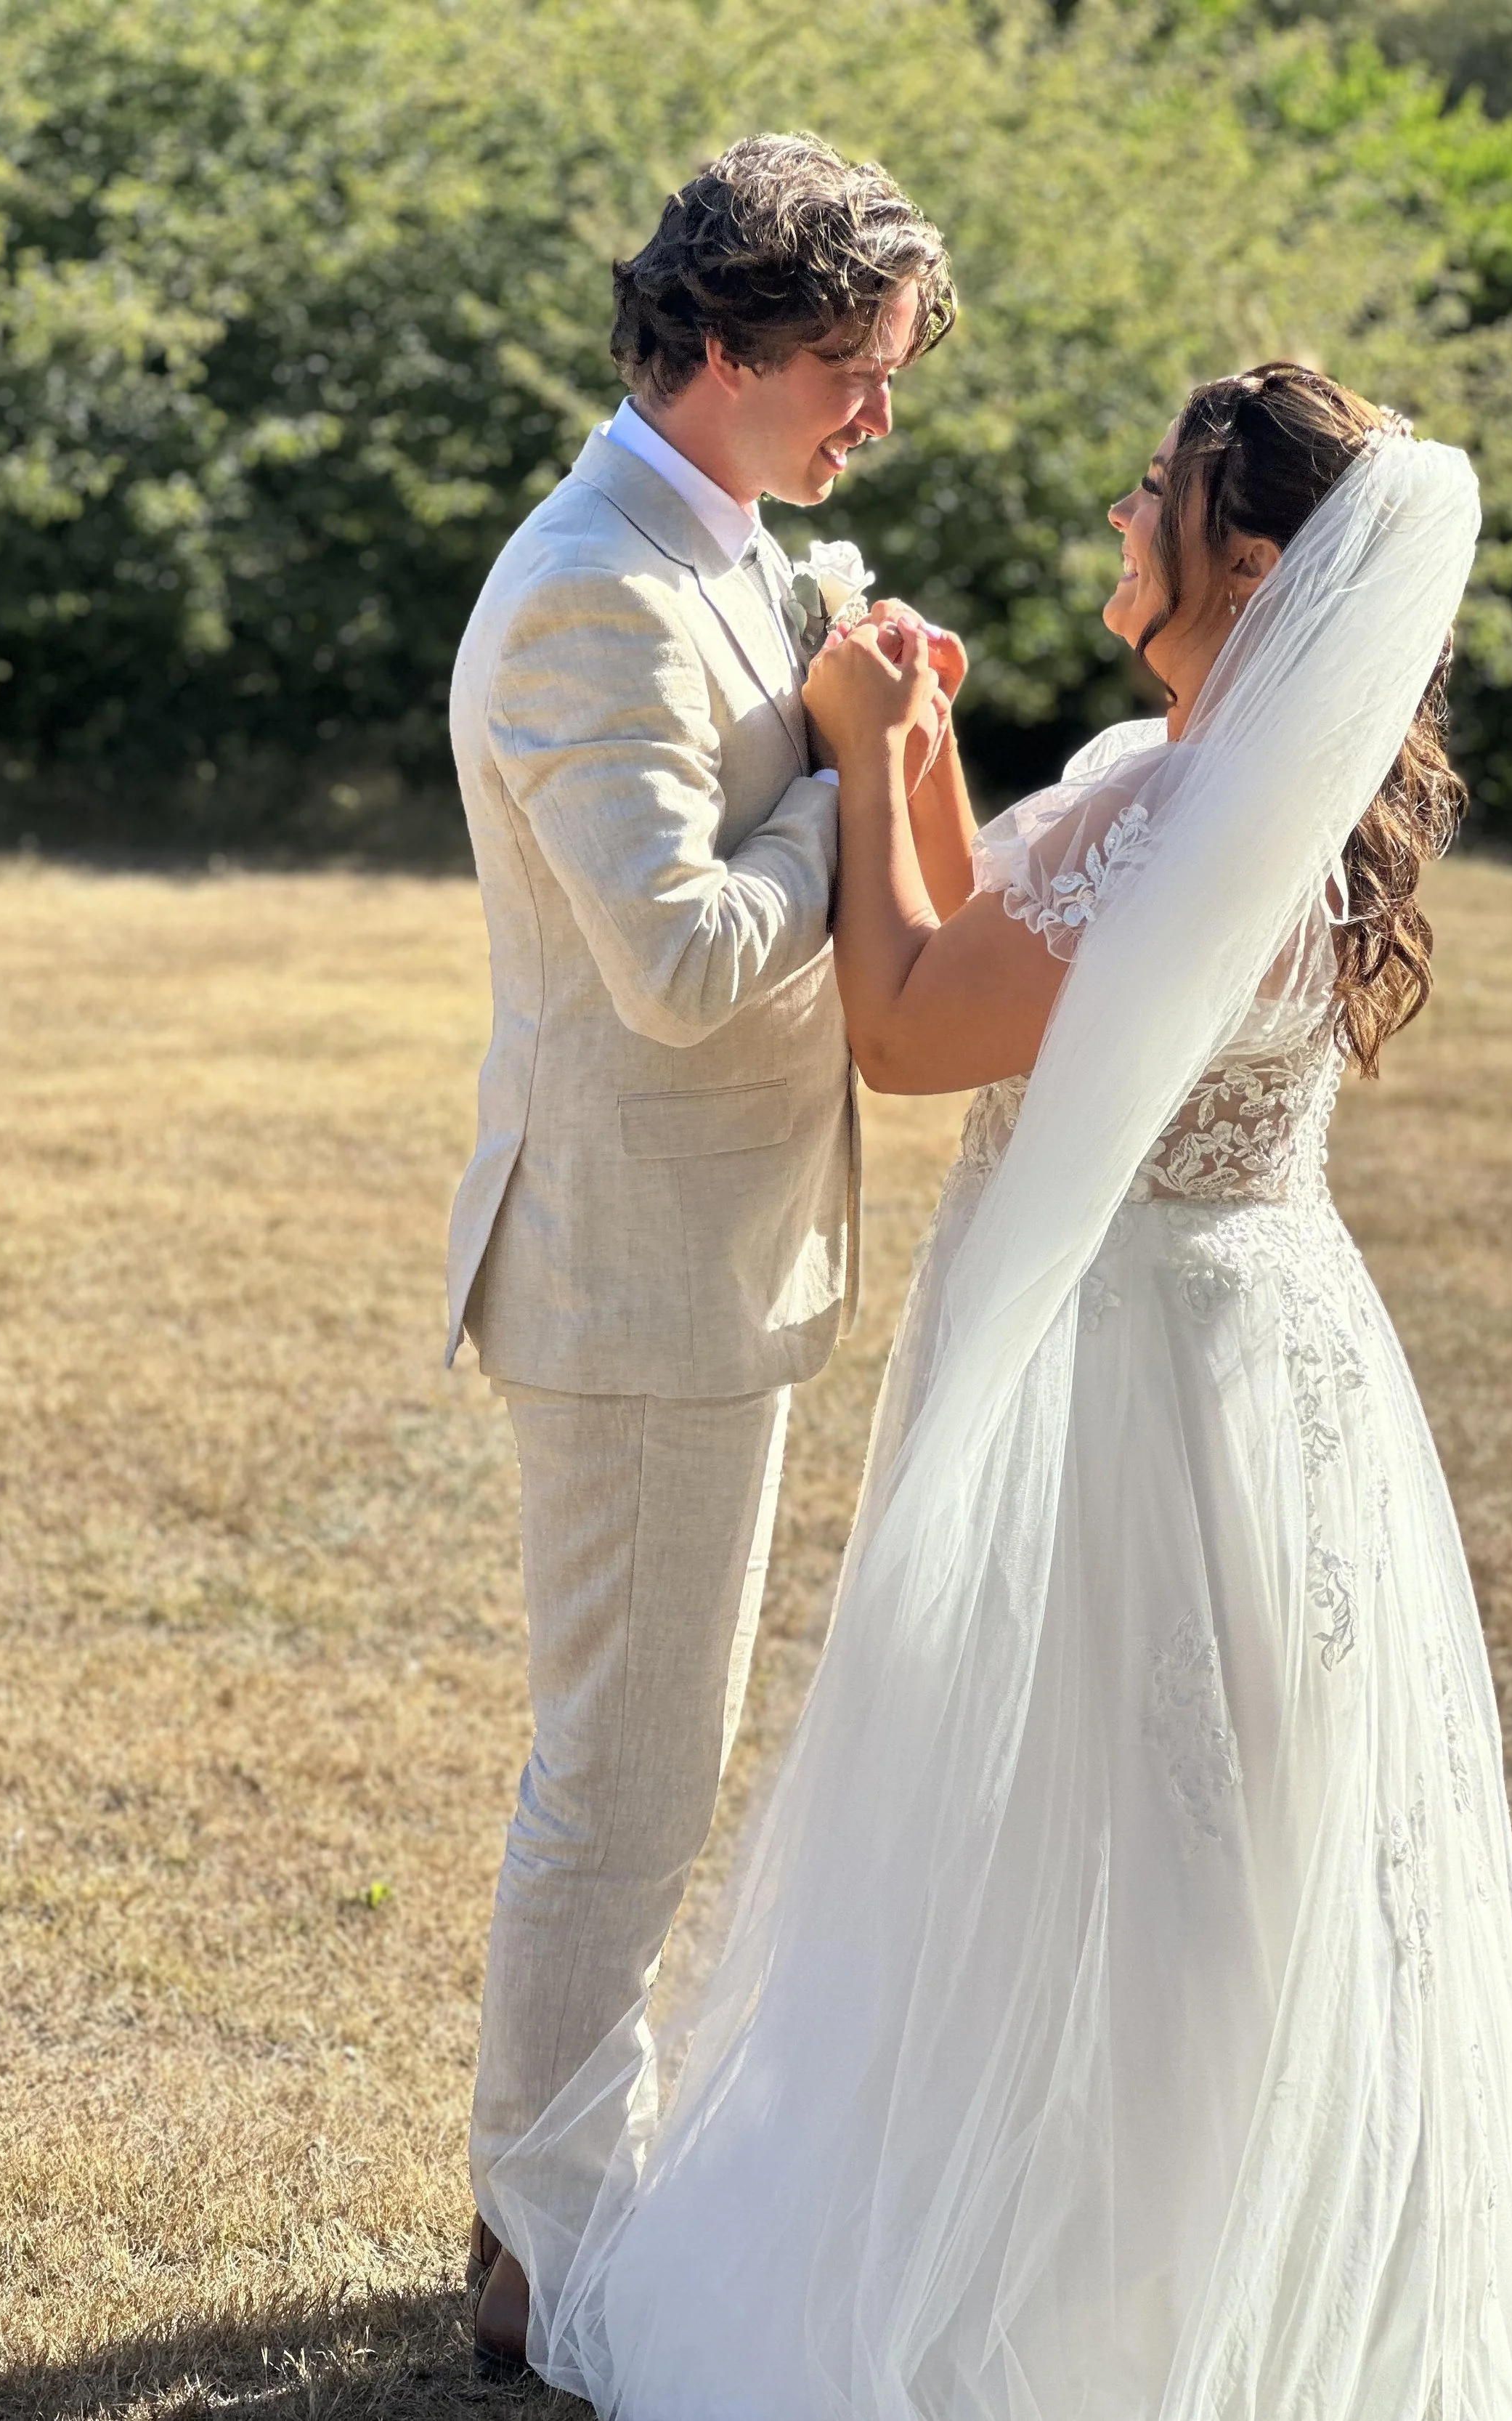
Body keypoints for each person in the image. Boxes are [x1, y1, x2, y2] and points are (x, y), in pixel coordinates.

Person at [486, 364, 1512, 2417]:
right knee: (1212, 1842)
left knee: (1111, 1822)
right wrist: (930, 758)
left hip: (1137, 1373)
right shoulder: (1226, 783)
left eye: (1159, 493)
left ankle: (1096, 2281)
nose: (1122, 514)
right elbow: (992, 946)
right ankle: (1208, 2229)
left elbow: (903, 1021)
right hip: (1262, 1347)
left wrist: (860, 758)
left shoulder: (1170, 801)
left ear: (1241, 559)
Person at [442, 134, 955, 2378]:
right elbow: (671, 959)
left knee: (656, 1753)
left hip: (711, 1256)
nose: (876, 420)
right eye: (853, 373)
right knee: (624, 1778)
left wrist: (856, 695)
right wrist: (843, 774)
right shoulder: (587, 587)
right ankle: (549, 2252)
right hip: (631, 1272)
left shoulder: (715, 536)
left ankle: (561, 2203)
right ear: (725, 353)